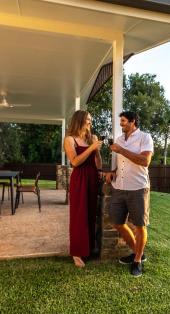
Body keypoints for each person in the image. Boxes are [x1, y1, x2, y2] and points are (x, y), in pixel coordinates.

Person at [105, 111, 153, 277]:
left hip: (138, 188)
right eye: (121, 121)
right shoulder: (119, 140)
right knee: (117, 222)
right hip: (119, 187)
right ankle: (137, 251)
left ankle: (137, 260)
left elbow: (145, 161)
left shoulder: (145, 138)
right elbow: (122, 163)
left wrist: (122, 150)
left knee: (140, 225)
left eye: (124, 121)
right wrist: (112, 171)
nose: (121, 124)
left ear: (133, 122)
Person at [63, 110, 103, 268]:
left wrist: (96, 149)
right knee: (79, 215)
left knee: (90, 214)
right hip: (79, 180)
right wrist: (91, 147)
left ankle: (88, 249)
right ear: (79, 120)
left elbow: (98, 164)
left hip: (92, 179)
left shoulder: (89, 140)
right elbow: (75, 162)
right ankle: (76, 252)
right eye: (87, 120)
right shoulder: (69, 139)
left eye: (91, 120)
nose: (90, 123)